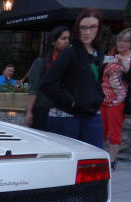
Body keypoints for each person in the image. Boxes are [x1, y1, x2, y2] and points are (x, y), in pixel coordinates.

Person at [41, 8, 105, 148]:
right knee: (68, 164)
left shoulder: (99, 52)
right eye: (83, 27)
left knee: (95, 159)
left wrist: (99, 96)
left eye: (92, 27)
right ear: (77, 29)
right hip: (67, 117)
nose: (87, 32)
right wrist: (71, 101)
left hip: (92, 114)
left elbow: (94, 81)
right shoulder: (69, 52)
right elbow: (47, 83)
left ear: (99, 28)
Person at [102, 28, 131, 170]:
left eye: (125, 41)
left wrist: (123, 65)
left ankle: (112, 161)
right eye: (119, 40)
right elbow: (100, 72)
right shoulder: (112, 53)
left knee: (114, 131)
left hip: (118, 101)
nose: (120, 43)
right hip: (102, 99)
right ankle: (99, 158)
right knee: (100, 130)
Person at [25, 26, 71, 131]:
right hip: (42, 110)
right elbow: (33, 88)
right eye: (63, 38)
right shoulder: (41, 62)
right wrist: (29, 112)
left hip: (62, 110)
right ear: (53, 42)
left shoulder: (69, 63)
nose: (67, 41)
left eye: (68, 39)